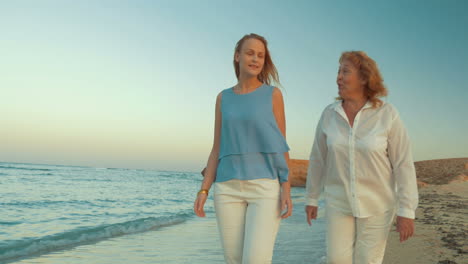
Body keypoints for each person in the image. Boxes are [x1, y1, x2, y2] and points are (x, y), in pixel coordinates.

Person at [305, 51, 419, 264]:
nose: (338, 77)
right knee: (336, 260)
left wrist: (406, 210)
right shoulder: (329, 114)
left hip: (377, 205)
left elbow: (403, 163)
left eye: (345, 71)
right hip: (338, 202)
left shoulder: (387, 114)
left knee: (367, 260)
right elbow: (318, 158)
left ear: (365, 78)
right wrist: (311, 197)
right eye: (338, 71)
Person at [193, 33, 293, 264]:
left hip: (264, 188)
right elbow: (217, 148)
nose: (255, 59)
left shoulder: (272, 95)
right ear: (237, 56)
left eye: (260, 55)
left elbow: (281, 145)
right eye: (250, 53)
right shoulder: (223, 98)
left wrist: (285, 188)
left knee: (256, 260)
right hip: (227, 189)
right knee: (234, 260)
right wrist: (204, 190)